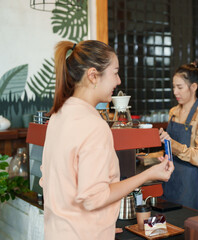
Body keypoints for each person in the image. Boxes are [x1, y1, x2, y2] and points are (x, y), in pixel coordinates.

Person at [40, 40, 174, 240]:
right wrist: (148, 174)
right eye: (115, 72)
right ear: (93, 75)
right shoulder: (94, 125)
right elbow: (94, 198)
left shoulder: (58, 116)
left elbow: (53, 182)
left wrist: (101, 224)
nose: (118, 81)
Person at [158, 61, 198, 210]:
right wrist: (164, 156)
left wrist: (173, 145)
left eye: (180, 87)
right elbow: (169, 149)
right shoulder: (173, 112)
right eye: (174, 87)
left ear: (194, 87)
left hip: (188, 187)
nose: (175, 92)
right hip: (168, 180)